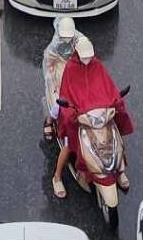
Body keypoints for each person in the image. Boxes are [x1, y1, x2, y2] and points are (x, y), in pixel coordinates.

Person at [52, 34, 133, 200]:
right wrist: (72, 113)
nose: (88, 59)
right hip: (81, 117)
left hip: (99, 116)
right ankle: (57, 177)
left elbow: (108, 87)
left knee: (115, 137)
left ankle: (119, 170)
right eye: (85, 57)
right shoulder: (71, 68)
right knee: (68, 145)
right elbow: (67, 94)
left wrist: (115, 101)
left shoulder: (97, 65)